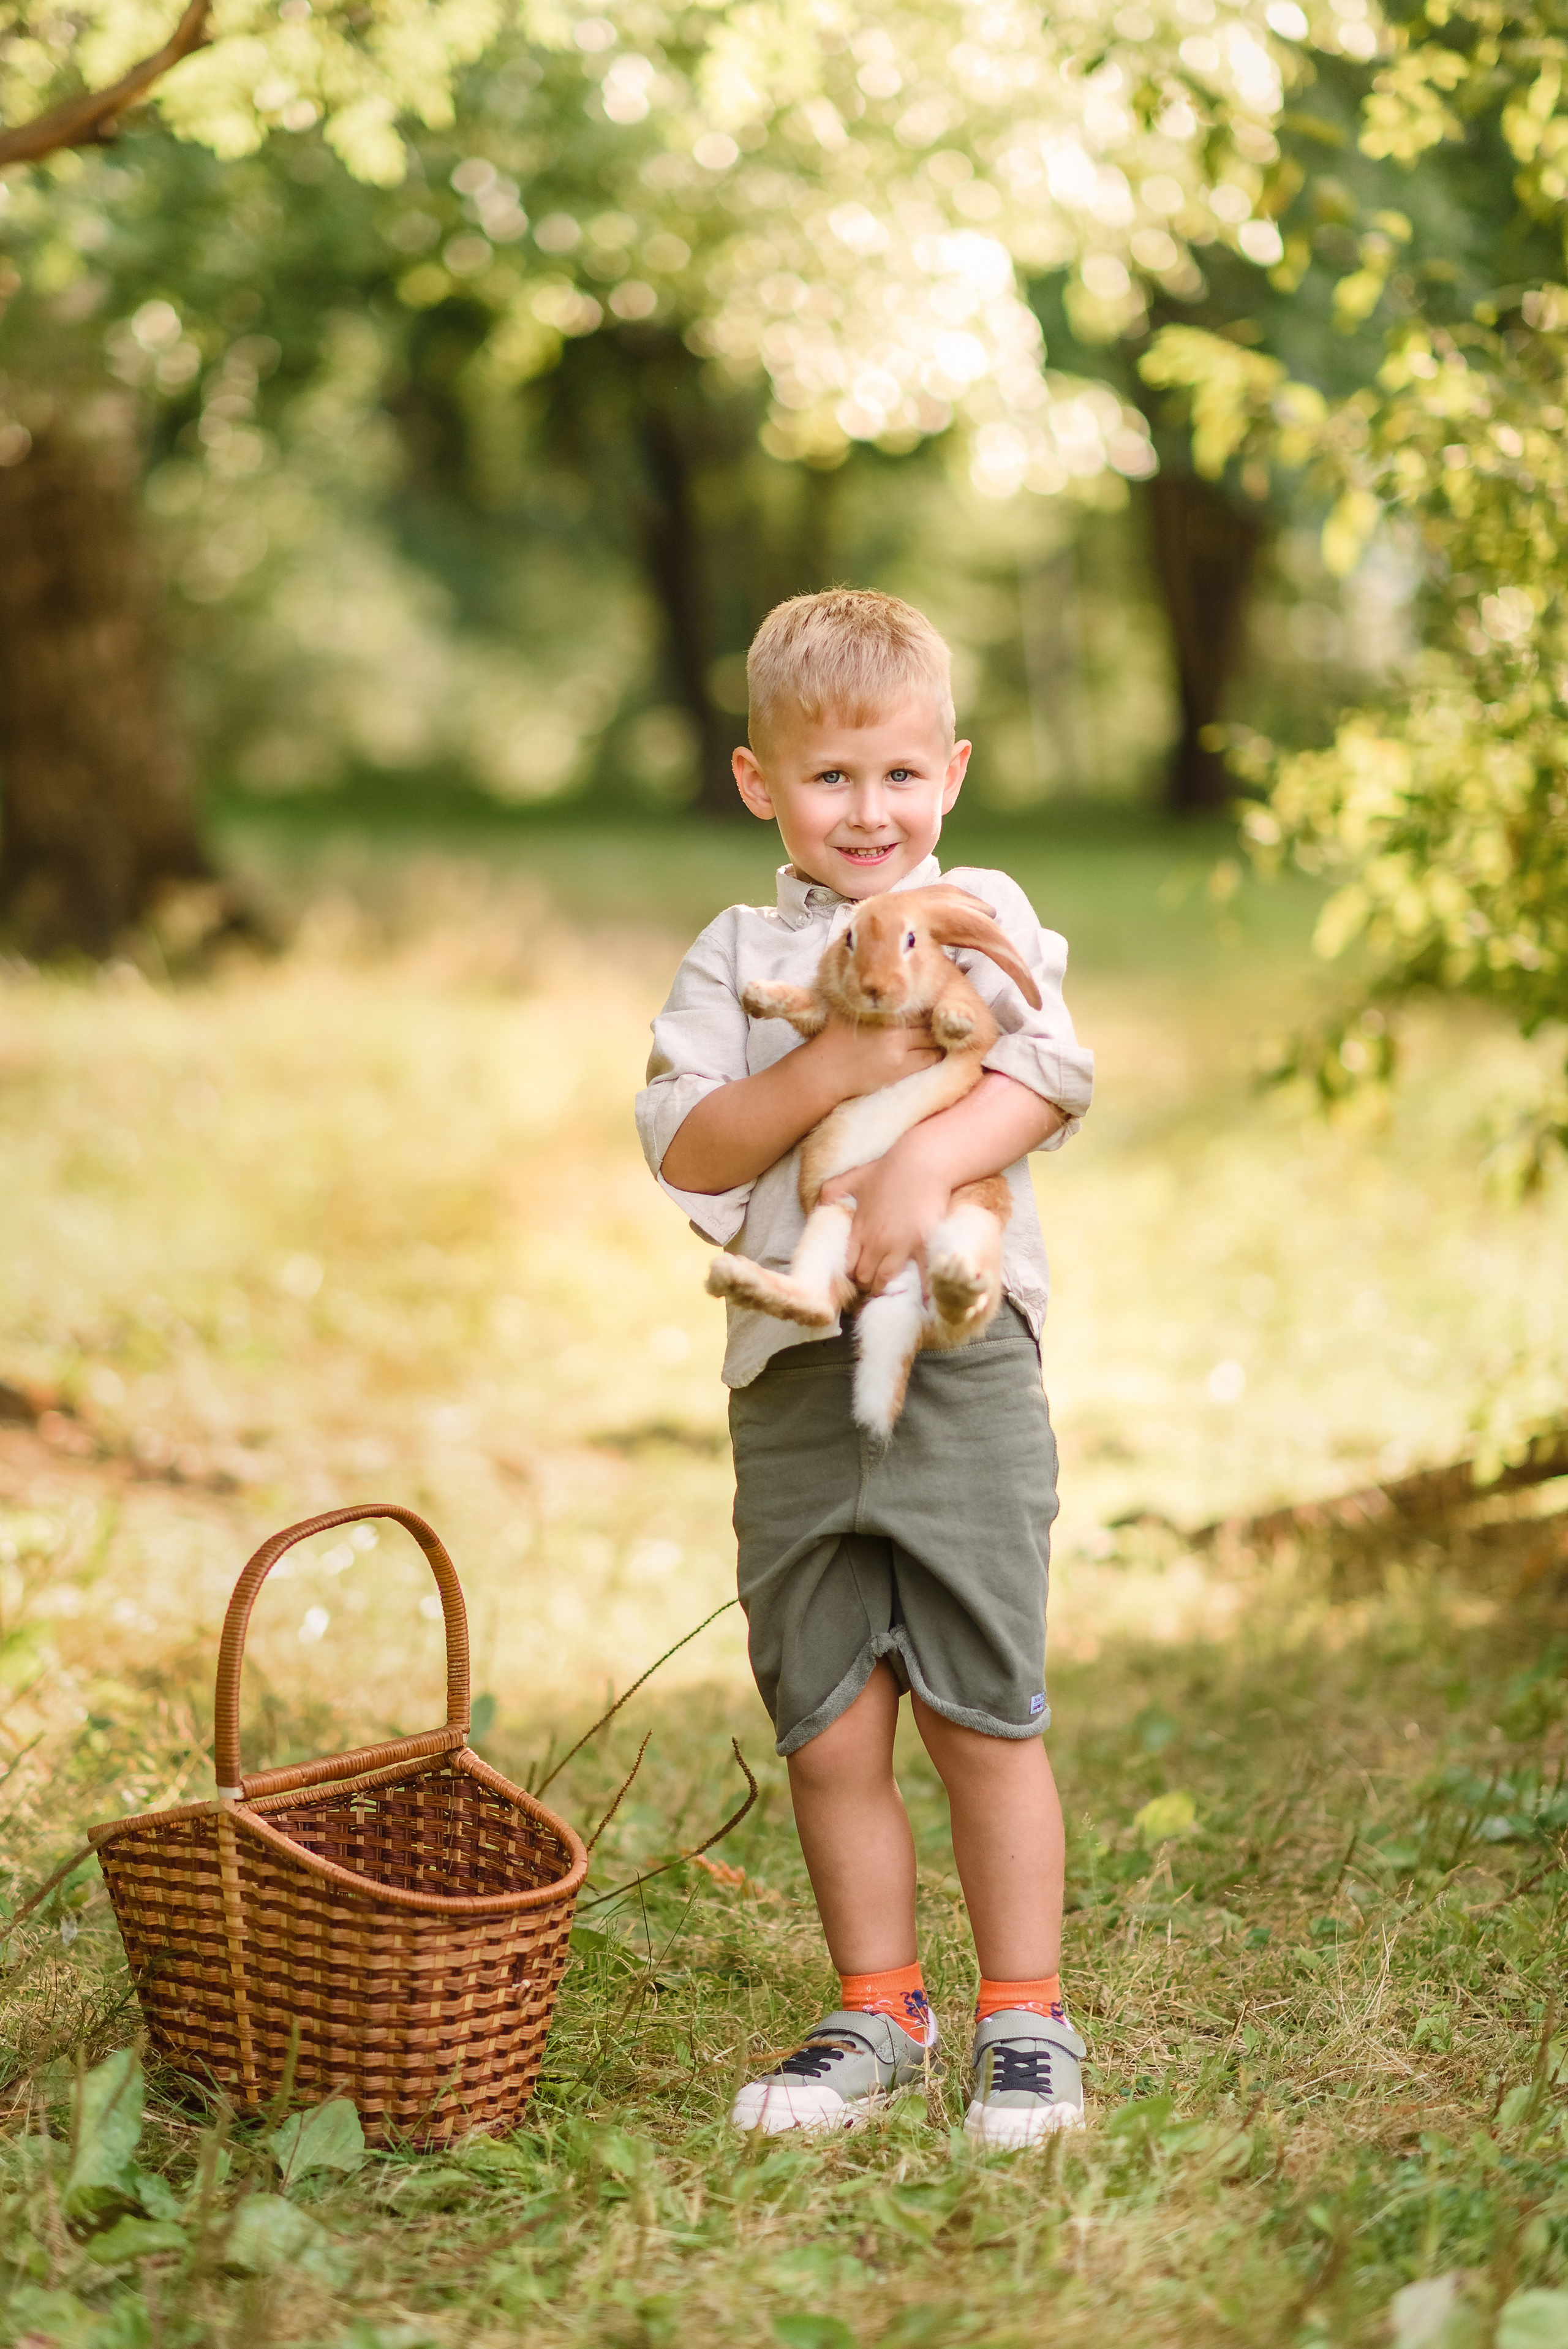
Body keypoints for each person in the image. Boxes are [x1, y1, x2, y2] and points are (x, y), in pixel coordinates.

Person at [635, 589, 1095, 2147]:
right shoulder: (734, 956)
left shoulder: (977, 908)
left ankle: (1023, 2019)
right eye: (829, 777)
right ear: (757, 781)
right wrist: (832, 1061)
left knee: (978, 1709)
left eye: (899, 774)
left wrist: (920, 1168)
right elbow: (690, 1145)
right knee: (828, 1720)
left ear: (949, 773)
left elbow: (1048, 1066)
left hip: (959, 1364)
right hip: (791, 1378)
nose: (868, 810)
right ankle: (878, 2009)